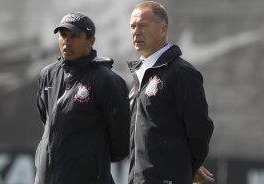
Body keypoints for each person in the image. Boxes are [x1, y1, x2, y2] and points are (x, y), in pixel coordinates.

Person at [34, 12, 130, 184]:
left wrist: (91, 162)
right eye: (63, 35)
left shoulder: (107, 80)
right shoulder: (47, 74)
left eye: (74, 36)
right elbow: (49, 122)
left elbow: (121, 142)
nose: (66, 41)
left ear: (91, 41)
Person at [127, 1, 214, 184]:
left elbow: (200, 128)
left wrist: (189, 165)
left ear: (163, 29)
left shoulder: (181, 73)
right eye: (133, 26)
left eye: (143, 26)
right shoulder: (139, 74)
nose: (136, 32)